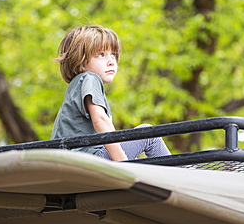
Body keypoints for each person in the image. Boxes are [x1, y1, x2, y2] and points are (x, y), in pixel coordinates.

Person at [51, 25, 171, 161]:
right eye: (101, 55)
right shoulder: (89, 78)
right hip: (88, 160)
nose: (111, 62)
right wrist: (123, 162)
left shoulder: (76, 86)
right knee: (149, 135)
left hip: (70, 161)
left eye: (113, 54)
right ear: (81, 60)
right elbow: (100, 120)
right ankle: (182, 173)